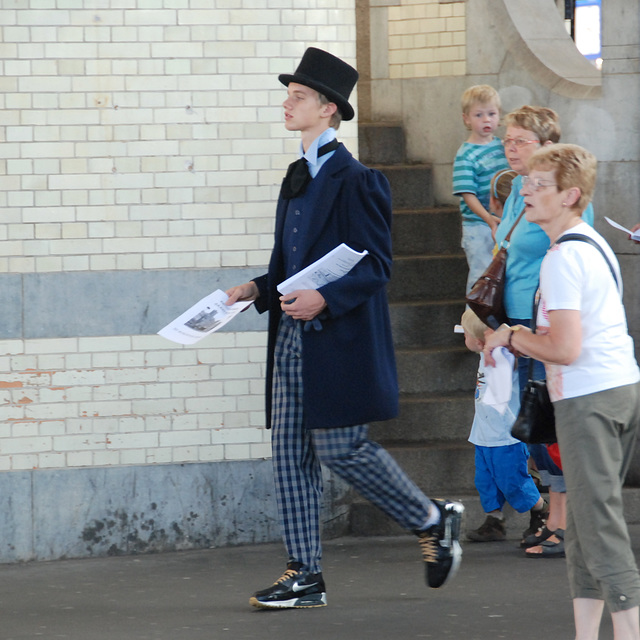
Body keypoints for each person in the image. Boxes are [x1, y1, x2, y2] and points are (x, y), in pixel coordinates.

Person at [225, 47, 464, 610]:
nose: (288, 103)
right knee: (289, 456)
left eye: (299, 96)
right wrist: (257, 289)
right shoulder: (295, 175)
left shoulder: (359, 179)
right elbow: (291, 265)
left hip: (336, 339)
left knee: (340, 448)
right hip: (289, 335)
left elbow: (376, 266)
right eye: (289, 94)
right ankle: (304, 574)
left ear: (328, 109)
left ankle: (431, 519)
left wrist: (325, 299)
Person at [484, 143, 640, 640]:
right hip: (614, 391)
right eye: (526, 182)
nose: (525, 191)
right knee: (584, 529)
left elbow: (566, 347)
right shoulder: (590, 244)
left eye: (538, 184)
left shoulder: (563, 259)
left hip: (588, 400)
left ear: (570, 194)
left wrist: (511, 335)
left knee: (599, 528)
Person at [494, 106, 595, 557]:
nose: (510, 148)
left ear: (546, 146)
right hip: (514, 318)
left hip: (546, 323)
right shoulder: (519, 188)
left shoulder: (564, 206)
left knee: (548, 426)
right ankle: (555, 516)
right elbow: (505, 248)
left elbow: (574, 247)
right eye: (506, 141)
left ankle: (562, 520)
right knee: (533, 427)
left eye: (519, 141)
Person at [461, 308, 545, 542]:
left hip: (506, 435)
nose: (463, 337)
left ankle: (541, 510)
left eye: (464, 334)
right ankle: (494, 520)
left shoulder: (504, 355)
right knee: (485, 482)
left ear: (478, 341)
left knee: (513, 481)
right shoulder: (485, 351)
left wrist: (502, 335)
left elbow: (515, 345)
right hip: (484, 433)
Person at [452, 85, 510, 292]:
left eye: (491, 114)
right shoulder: (466, 155)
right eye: (479, 115)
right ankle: (474, 322)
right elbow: (467, 194)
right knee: (481, 274)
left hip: (502, 221)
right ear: (466, 119)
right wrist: (488, 218)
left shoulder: (502, 146)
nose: (486, 120)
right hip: (478, 225)